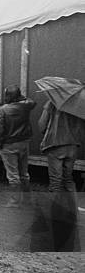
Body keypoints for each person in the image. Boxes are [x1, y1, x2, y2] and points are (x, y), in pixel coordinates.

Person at [38, 97, 85, 250]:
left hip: (56, 144)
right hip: (73, 146)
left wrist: (46, 134)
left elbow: (41, 124)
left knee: (56, 181)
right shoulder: (78, 105)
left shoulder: (52, 102)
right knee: (68, 179)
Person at [0, 86, 36, 207]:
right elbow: (33, 102)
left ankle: (14, 201)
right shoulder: (25, 106)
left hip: (8, 144)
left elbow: (0, 129)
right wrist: (21, 97)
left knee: (12, 175)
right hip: (23, 143)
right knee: (24, 173)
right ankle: (28, 199)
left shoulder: (2, 109)